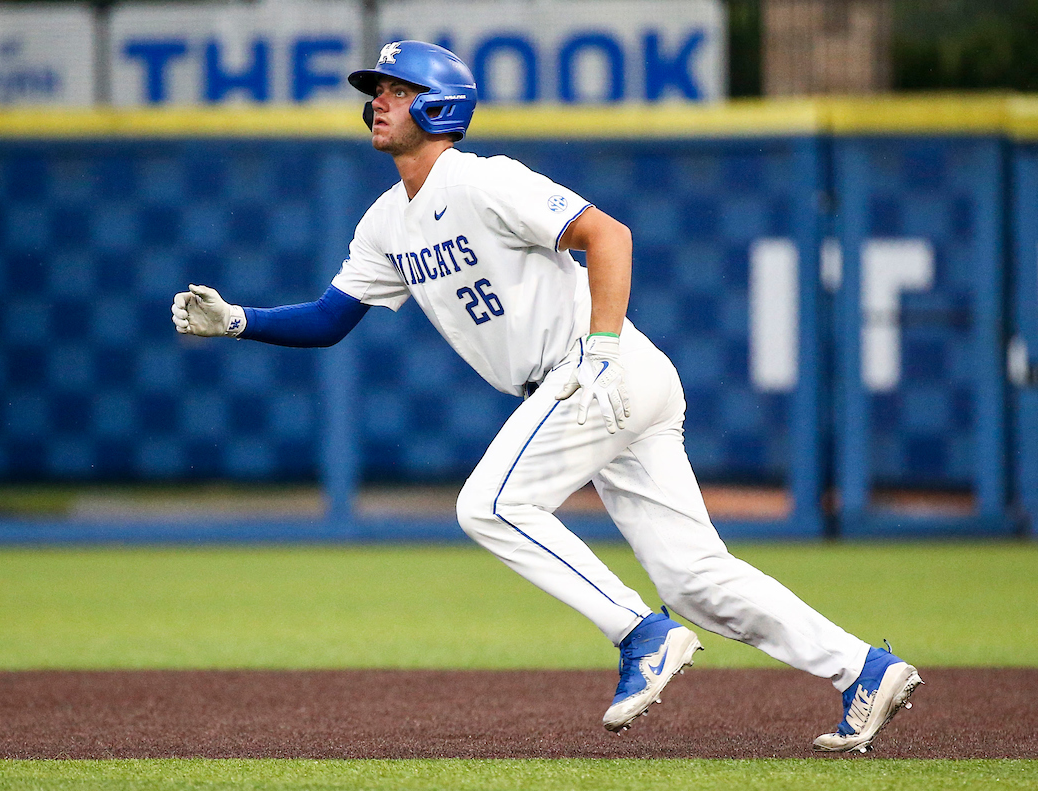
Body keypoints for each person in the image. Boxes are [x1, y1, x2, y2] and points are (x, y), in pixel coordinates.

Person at [172, 41, 921, 752]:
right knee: (695, 580)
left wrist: (601, 350)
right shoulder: (384, 223)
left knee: (489, 505)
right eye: (376, 92)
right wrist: (238, 321)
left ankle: (640, 633)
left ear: (439, 105)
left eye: (397, 90)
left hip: (595, 367)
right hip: (599, 381)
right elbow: (329, 319)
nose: (379, 102)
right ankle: (863, 668)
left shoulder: (483, 180)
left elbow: (609, 235)